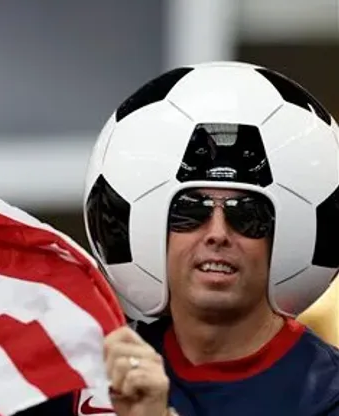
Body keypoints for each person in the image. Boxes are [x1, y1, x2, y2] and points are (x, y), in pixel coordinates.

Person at [17, 61, 339, 415]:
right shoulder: (91, 381)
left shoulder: (327, 396)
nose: (217, 233)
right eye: (190, 211)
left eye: (247, 216)